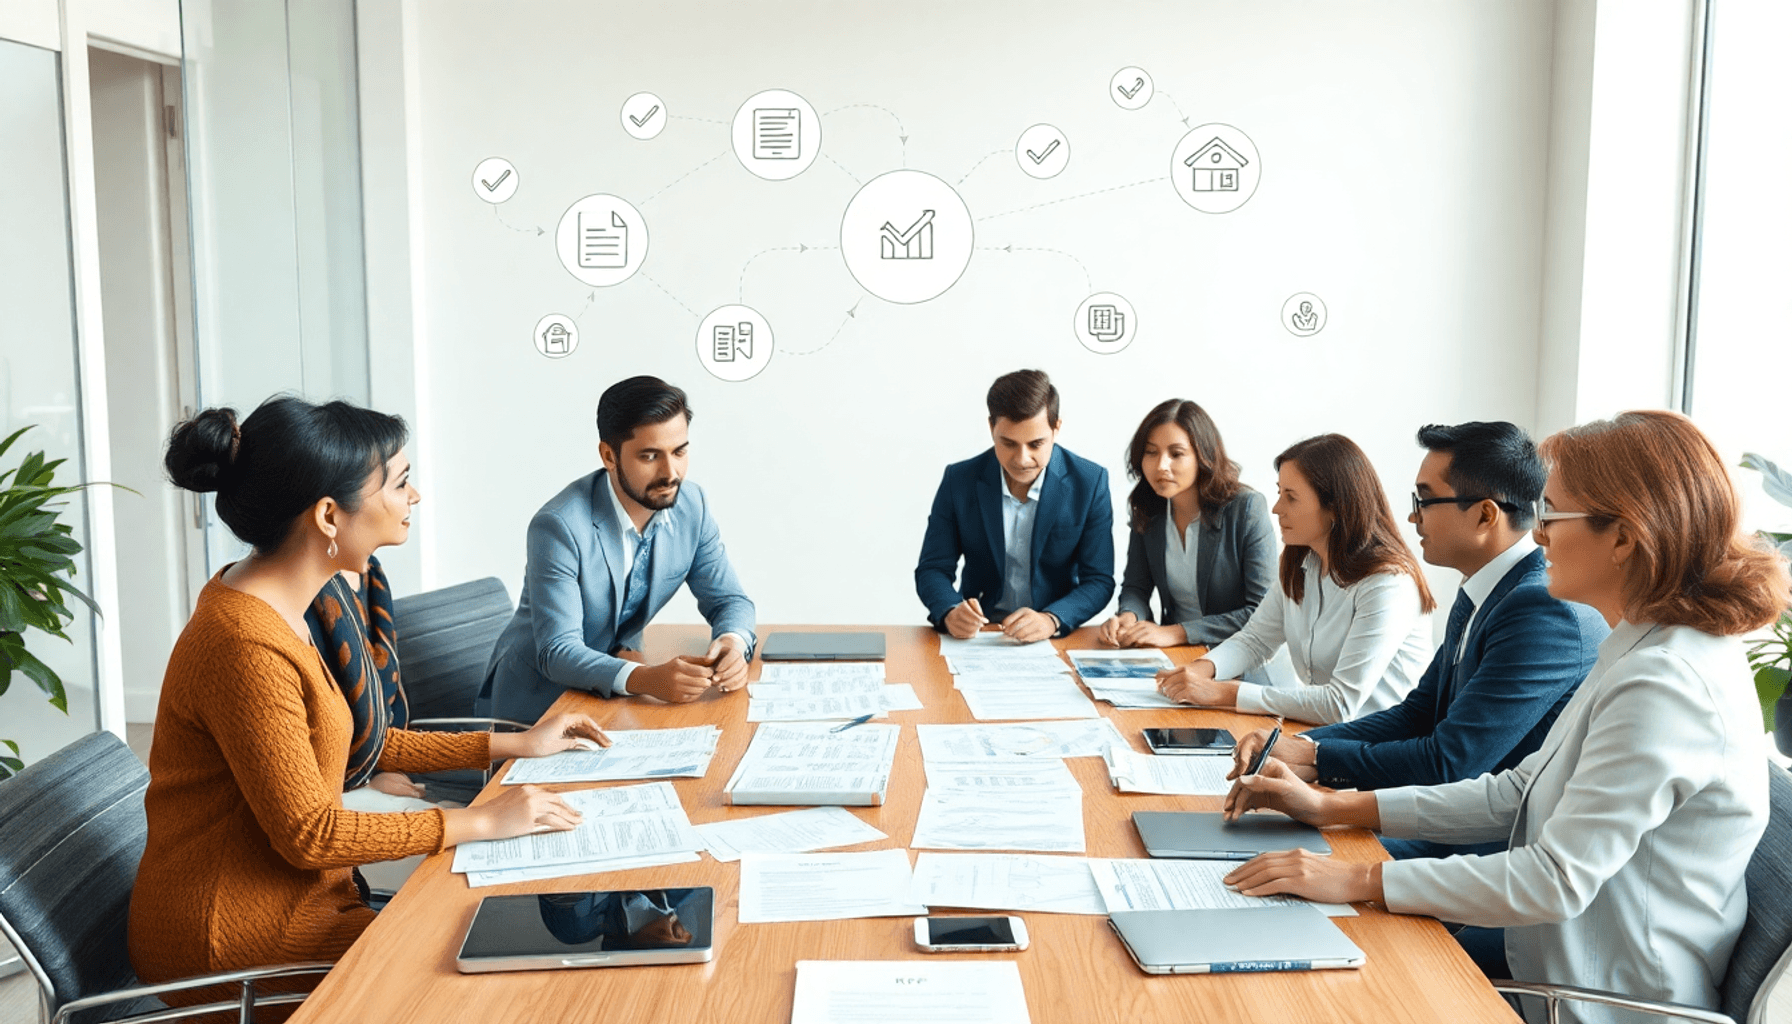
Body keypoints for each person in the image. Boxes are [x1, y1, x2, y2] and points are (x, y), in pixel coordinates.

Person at [1221, 410, 1789, 1019]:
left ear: (1624, 536)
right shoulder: (1638, 643)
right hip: (1548, 955)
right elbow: (1520, 791)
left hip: (1599, 1001)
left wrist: (1357, 880)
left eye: (1550, 513)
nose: (1536, 535)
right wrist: (1333, 806)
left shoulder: (1667, 682)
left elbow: (1553, 880)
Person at [132, 397, 605, 1006]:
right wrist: (480, 820)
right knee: (485, 983)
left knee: (501, 947)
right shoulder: (244, 644)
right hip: (232, 936)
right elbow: (309, 834)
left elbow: (360, 740)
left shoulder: (286, 604)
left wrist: (517, 743)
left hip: (297, 895)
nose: (416, 498)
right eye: (401, 483)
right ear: (330, 515)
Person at [1232, 422, 1608, 862]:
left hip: (1487, 848)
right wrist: (1304, 747)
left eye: (1424, 500)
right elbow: (1418, 713)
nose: (1412, 517)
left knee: (1274, 853)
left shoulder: (1541, 610)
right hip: (1442, 819)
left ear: (1486, 515)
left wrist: (1318, 759)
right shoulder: (1484, 590)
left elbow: (1449, 761)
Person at [483, 376, 756, 722]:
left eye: (679, 451)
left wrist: (732, 643)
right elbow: (558, 651)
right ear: (609, 456)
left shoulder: (692, 506)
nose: (670, 473)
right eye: (649, 456)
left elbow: (729, 601)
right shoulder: (558, 526)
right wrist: (646, 679)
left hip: (612, 700)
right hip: (537, 708)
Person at [1155, 433, 1434, 724]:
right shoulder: (1303, 562)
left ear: (1336, 507)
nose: (1276, 508)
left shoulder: (1388, 583)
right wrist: (1202, 669)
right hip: (1325, 739)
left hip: (1379, 752)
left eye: (1291, 497)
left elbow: (1339, 704)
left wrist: (1220, 693)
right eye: (1279, 493)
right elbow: (1255, 640)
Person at [915, 369, 1115, 642]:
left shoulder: (1090, 483)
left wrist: (1052, 619)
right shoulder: (959, 481)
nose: (1022, 459)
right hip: (982, 634)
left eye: (1036, 444)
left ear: (1056, 428)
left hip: (1056, 635)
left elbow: (1099, 579)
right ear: (991, 428)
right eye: (1008, 443)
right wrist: (950, 610)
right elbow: (933, 568)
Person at [1097, 398, 1276, 649]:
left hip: (1243, 659)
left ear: (1203, 456)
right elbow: (1136, 586)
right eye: (1151, 452)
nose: (1161, 466)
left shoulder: (1246, 509)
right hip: (1177, 656)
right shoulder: (1149, 508)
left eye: (1176, 454)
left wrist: (1179, 632)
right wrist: (1129, 616)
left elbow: (1265, 615)